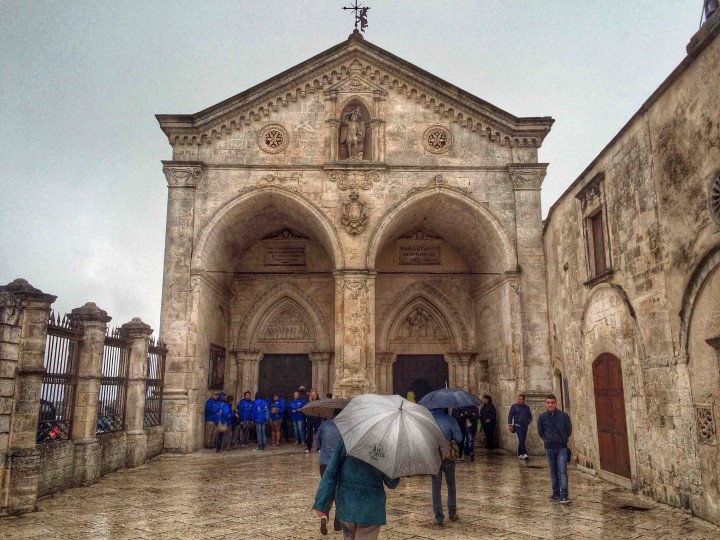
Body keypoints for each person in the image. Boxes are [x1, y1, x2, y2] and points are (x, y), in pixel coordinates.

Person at [313, 441, 399, 540]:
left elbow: (331, 473)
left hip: (347, 505)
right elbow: (392, 483)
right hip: (371, 508)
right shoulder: (386, 446)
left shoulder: (347, 440)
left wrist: (321, 503)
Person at [430, 408, 462, 526]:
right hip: (448, 455)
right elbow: (458, 437)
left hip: (433, 456)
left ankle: (438, 517)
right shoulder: (450, 419)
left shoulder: (429, 420)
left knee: (436, 486)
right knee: (451, 483)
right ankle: (452, 513)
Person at [538, 394, 573, 504]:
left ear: (556, 403)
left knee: (562, 471)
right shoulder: (542, 417)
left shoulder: (564, 416)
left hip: (561, 447)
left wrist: (562, 439)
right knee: (553, 471)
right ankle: (555, 493)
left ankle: (564, 495)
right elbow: (540, 431)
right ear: (545, 403)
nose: (550, 404)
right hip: (549, 448)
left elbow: (569, 430)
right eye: (548, 402)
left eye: (552, 402)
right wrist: (547, 439)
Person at [315, 409, 343, 535]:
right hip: (339, 462)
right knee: (339, 491)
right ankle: (337, 524)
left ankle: (324, 517)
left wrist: (322, 447)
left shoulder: (324, 424)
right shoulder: (345, 425)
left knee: (327, 488)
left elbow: (317, 441)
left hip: (325, 462)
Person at [508, 393, 533, 460]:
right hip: (517, 425)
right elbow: (510, 415)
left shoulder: (527, 407)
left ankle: (520, 453)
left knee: (522, 440)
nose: (519, 400)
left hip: (524, 426)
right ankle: (525, 453)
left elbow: (530, 416)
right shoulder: (514, 406)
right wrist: (510, 424)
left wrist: (528, 421)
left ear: (524, 400)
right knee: (521, 439)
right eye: (518, 399)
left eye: (521, 399)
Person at [305, 389, 322, 454]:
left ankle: (319, 447)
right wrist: (310, 401)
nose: (313, 395)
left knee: (317, 434)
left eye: (314, 394)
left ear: (316, 394)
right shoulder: (308, 401)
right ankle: (308, 447)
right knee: (309, 433)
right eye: (312, 394)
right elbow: (306, 408)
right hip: (309, 419)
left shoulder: (319, 400)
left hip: (317, 419)